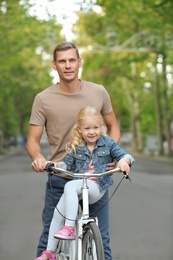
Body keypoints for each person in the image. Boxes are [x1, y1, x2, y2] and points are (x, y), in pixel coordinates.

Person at [26, 42, 120, 260]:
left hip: (95, 177)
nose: (67, 65)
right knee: (49, 237)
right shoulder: (43, 99)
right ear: (54, 65)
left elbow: (113, 126)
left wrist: (112, 154)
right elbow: (32, 140)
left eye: (71, 60)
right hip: (61, 176)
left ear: (79, 63)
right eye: (62, 61)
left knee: (101, 239)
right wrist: (39, 158)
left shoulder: (98, 91)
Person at [36, 106, 135, 260]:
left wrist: (124, 162)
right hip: (79, 187)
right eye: (87, 128)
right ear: (80, 129)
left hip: (96, 187)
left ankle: (69, 228)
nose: (92, 131)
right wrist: (55, 165)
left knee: (69, 186)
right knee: (57, 213)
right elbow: (66, 164)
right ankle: (50, 251)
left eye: (95, 127)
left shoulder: (108, 143)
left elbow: (125, 155)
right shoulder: (77, 146)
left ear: (101, 127)